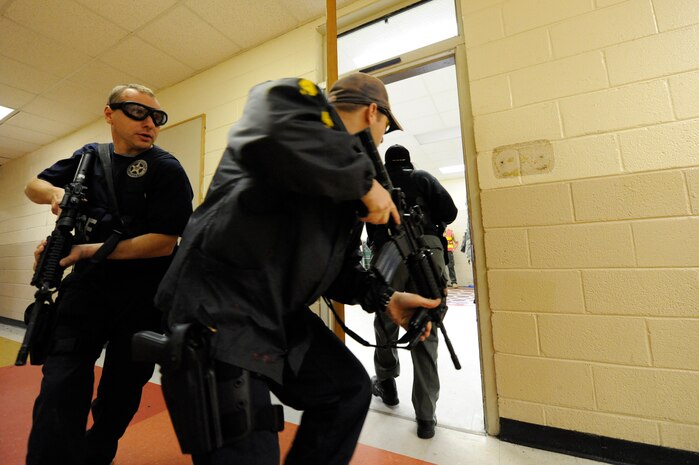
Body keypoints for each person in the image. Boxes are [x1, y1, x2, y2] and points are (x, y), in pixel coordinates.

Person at [154, 73, 439, 465]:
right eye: (385, 127)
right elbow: (269, 135)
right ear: (374, 112)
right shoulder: (294, 103)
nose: (383, 138)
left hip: (274, 315)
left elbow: (338, 271)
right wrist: (364, 183)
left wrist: (385, 297)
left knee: (349, 390)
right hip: (219, 311)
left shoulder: (341, 183)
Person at [24, 84, 193, 465]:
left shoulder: (166, 168)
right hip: (86, 291)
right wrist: (55, 195)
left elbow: (164, 242)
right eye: (138, 112)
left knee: (121, 392)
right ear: (109, 114)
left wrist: (83, 251)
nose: (150, 123)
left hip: (143, 297)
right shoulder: (89, 158)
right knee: (61, 384)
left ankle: (97, 452)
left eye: (157, 117)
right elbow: (32, 185)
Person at [365, 144, 457, 439]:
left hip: (387, 253)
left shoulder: (376, 185)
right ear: (409, 161)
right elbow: (450, 213)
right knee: (425, 326)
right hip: (427, 252)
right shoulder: (423, 177)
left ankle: (387, 384)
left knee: (385, 321)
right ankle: (426, 416)